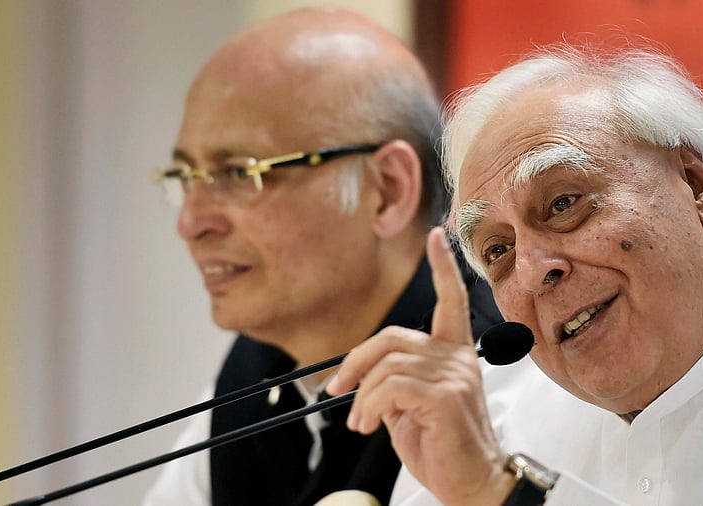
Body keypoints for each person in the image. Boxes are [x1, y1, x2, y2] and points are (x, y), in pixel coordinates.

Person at [327, 44, 703, 505]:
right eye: (498, 250)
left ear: (695, 184)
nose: (534, 272)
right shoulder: (492, 414)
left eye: (563, 204)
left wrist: (504, 495)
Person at [143, 8, 534, 506]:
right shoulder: (252, 377)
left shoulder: (505, 381)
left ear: (387, 190)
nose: (191, 223)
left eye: (241, 173)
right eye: (185, 178)